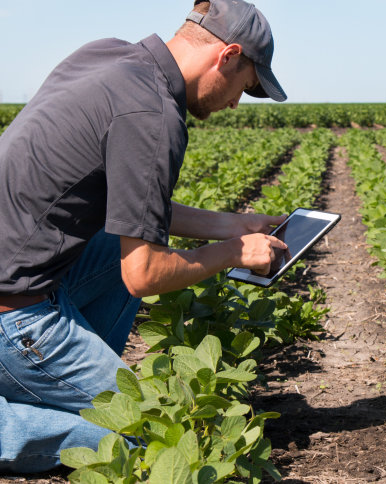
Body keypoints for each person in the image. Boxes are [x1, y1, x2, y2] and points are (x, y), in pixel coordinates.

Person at [0, 0, 288, 473]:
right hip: (15, 318)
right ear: (229, 55)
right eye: (246, 86)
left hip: (23, 277)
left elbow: (139, 211)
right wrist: (236, 251)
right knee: (154, 435)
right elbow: (144, 274)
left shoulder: (107, 56)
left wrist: (233, 224)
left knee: (116, 243)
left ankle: (63, 386)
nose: (236, 102)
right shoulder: (154, 114)